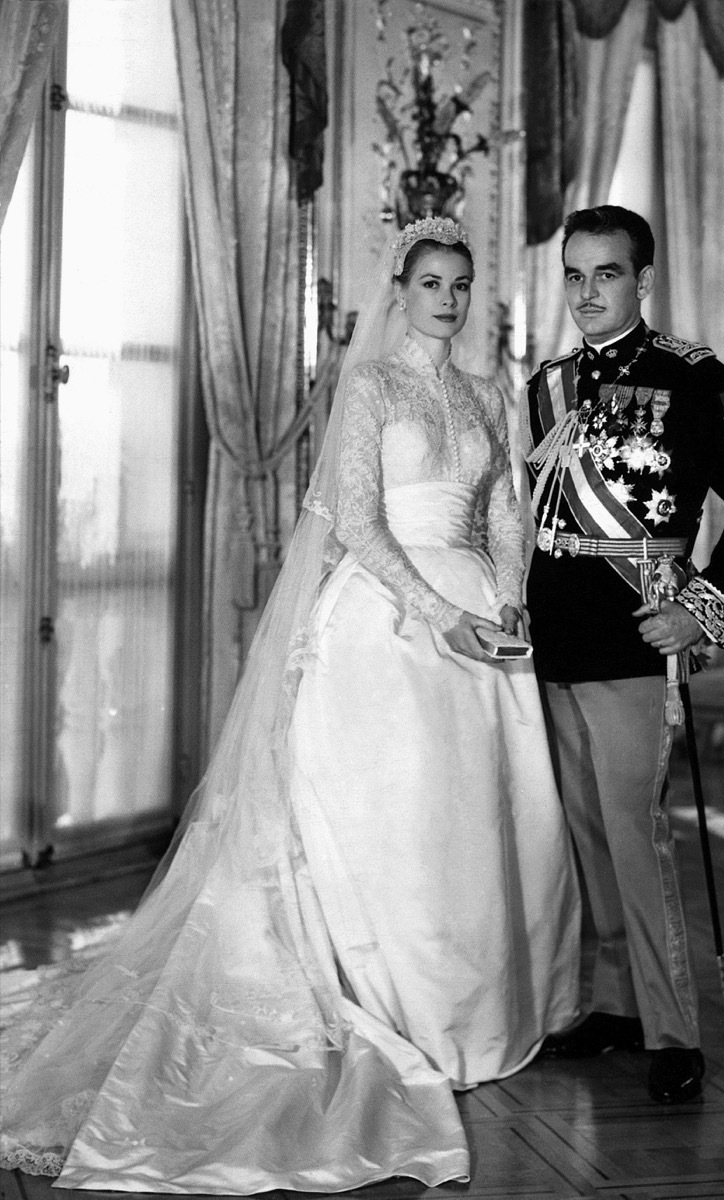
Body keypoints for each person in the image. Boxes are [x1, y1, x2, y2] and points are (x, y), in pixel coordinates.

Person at [0, 217, 581, 1193]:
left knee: (478, 819)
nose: (445, 297)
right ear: (398, 290)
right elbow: (355, 518)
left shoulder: (488, 393)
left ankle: (487, 1010)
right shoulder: (372, 386)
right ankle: (388, 1004)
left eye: (459, 283)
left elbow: (507, 512)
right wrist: (438, 613)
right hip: (391, 620)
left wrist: (509, 596)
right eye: (429, 281)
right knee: (392, 811)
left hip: (486, 621)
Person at [521, 205, 724, 1105]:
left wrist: (703, 615)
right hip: (554, 631)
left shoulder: (692, 377)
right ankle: (618, 1008)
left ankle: (671, 1028)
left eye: (605, 273)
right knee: (587, 836)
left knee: (636, 836)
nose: (586, 292)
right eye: (573, 275)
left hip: (638, 635)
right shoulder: (546, 383)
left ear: (642, 280)